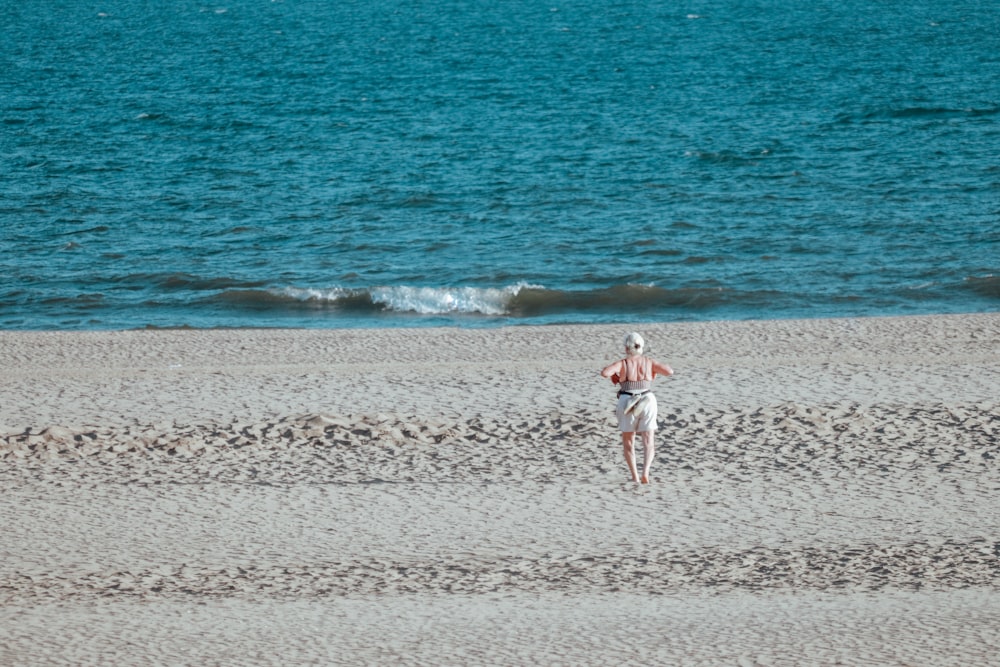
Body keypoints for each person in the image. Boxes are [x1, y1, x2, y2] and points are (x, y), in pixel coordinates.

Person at [600, 332, 673, 483]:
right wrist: (653, 371)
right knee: (648, 439)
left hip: (627, 397)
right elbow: (669, 371)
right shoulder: (649, 361)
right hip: (647, 397)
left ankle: (635, 476)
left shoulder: (623, 363)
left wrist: (617, 375)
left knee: (628, 440)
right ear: (641, 347)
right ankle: (645, 472)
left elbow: (605, 373)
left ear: (626, 348)